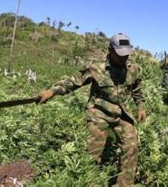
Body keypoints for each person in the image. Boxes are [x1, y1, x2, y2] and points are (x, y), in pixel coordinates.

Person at [38, 33, 146, 186]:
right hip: (99, 113)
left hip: (123, 113)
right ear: (110, 50)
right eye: (120, 54)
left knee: (132, 147)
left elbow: (137, 90)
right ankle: (89, 182)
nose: (124, 58)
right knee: (92, 154)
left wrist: (141, 107)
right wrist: (52, 91)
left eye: (126, 54)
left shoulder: (133, 69)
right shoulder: (96, 67)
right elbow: (73, 81)